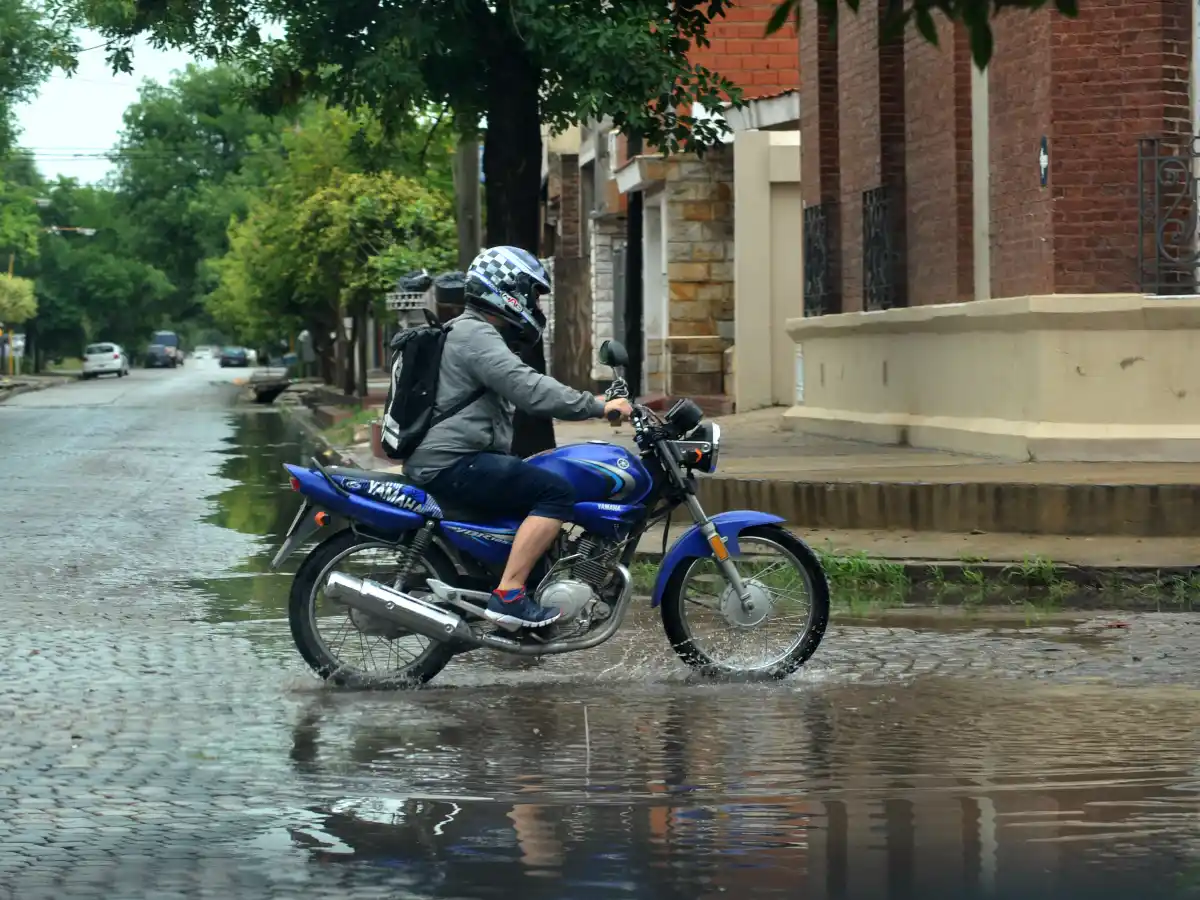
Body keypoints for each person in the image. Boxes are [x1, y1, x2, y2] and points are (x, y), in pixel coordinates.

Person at [403, 246, 633, 630]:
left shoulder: (473, 332)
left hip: (455, 458)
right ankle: (509, 594)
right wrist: (596, 405)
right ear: (506, 290)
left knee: (533, 478)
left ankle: (520, 584)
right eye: (531, 293)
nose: (534, 303)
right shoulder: (475, 334)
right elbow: (528, 388)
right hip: (454, 463)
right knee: (555, 493)